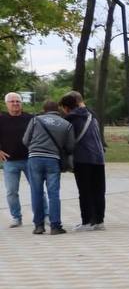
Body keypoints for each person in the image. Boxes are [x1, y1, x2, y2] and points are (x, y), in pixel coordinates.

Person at [23, 100, 74, 236]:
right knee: (54, 194)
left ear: (43, 109)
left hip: (34, 159)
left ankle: (39, 226)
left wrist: (35, 148)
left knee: (36, 192)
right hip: (53, 160)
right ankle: (55, 226)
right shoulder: (66, 124)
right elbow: (70, 147)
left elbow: (25, 140)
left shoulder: (35, 120)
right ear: (58, 109)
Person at [59, 91, 107, 230]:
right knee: (98, 190)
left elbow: (67, 141)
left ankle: (86, 222)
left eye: (63, 108)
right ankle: (99, 221)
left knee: (85, 191)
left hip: (82, 158)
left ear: (67, 107)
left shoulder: (71, 119)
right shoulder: (92, 115)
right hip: (98, 158)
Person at [1, 92, 32, 228]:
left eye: (17, 101)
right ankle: (16, 217)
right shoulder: (1, 119)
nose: (15, 104)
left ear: (21, 103)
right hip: (10, 161)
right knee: (11, 191)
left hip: (30, 160)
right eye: (12, 101)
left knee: (37, 189)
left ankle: (45, 215)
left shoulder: (31, 118)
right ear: (6, 104)